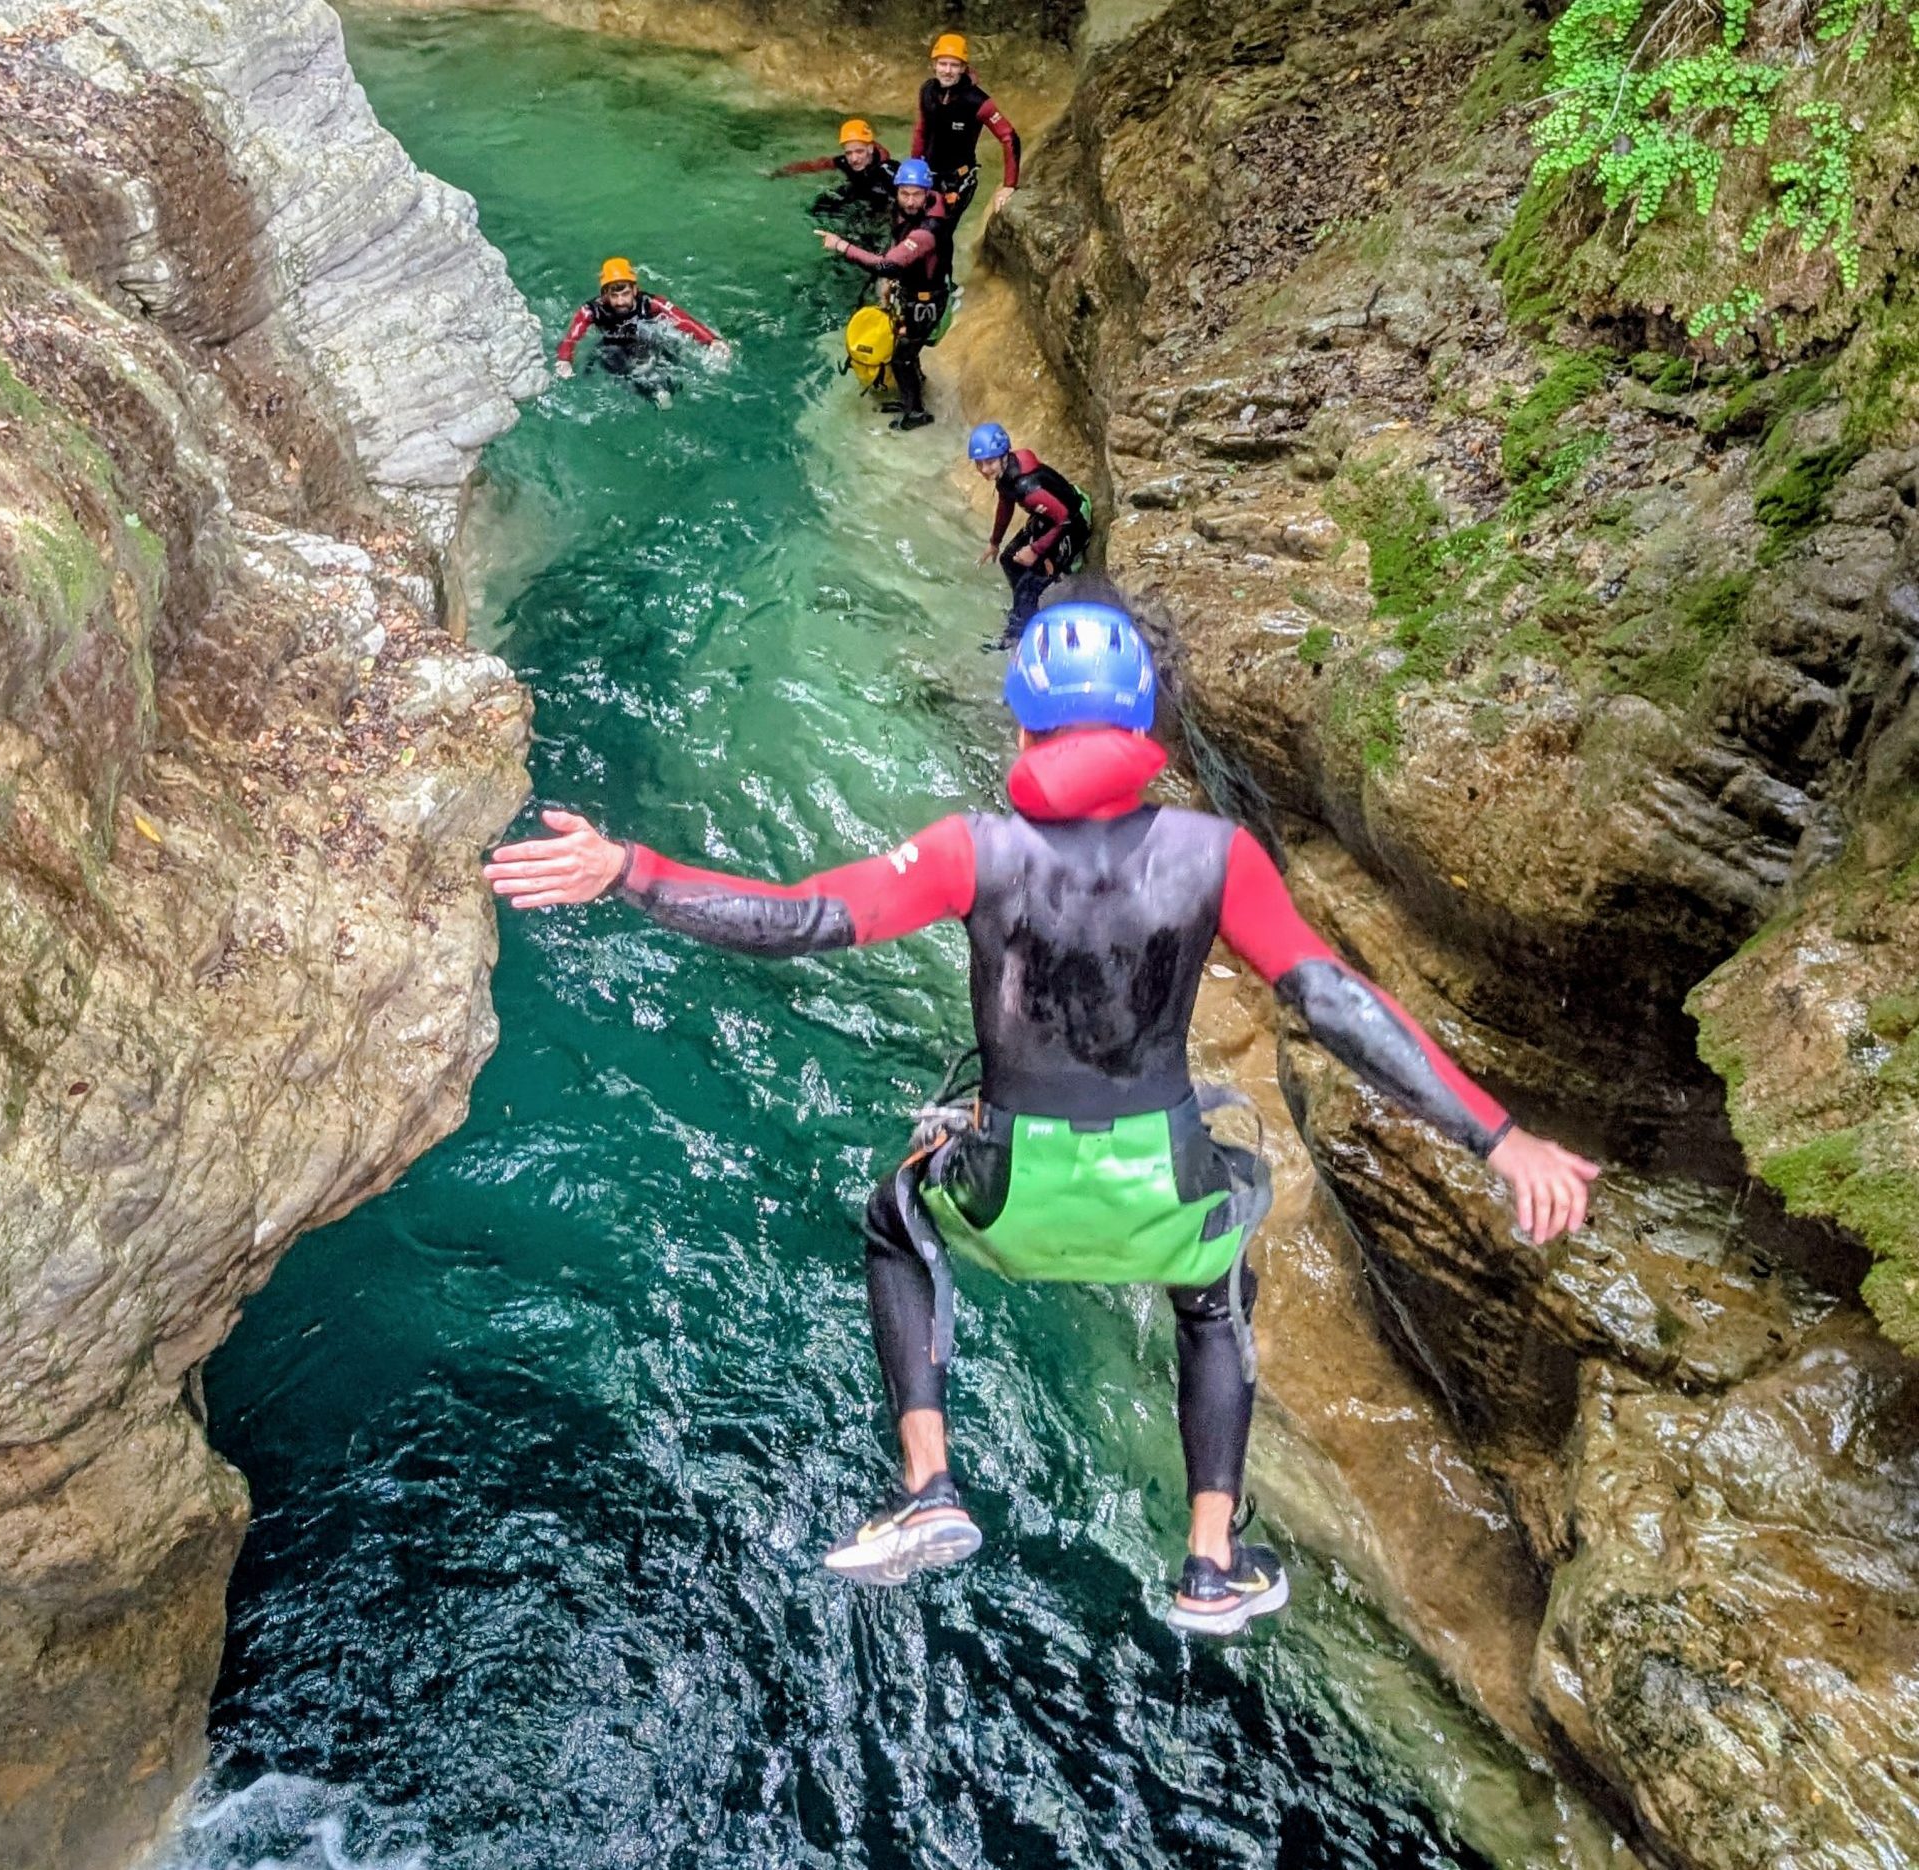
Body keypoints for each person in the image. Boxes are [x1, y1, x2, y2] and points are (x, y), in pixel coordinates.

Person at [482, 599, 1601, 1638]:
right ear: (1139, 728)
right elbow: (1331, 999)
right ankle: (1210, 1561)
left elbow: (803, 919)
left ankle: (926, 1485)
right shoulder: (1216, 855)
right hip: (1163, 1189)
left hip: (1005, 1189)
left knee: (893, 1220)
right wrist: (1499, 1138)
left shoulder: (978, 849)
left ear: (1025, 730)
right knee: (1216, 1294)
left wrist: (631, 867)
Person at [816, 160, 951, 432]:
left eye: (917, 194)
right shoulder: (905, 211)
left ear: (927, 193)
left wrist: (842, 245)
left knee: (901, 355)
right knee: (907, 348)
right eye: (905, 193)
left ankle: (915, 412)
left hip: (927, 301)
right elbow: (897, 248)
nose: (910, 201)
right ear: (897, 191)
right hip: (914, 293)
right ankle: (914, 390)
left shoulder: (928, 229)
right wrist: (892, 283)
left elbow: (888, 263)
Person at [968, 423, 1093, 642]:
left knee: (1027, 585)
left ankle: (1018, 635)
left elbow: (1064, 519)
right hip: (1049, 520)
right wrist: (994, 542)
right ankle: (1024, 609)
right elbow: (1005, 506)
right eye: (979, 464)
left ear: (1003, 456)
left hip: (1072, 526)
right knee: (1008, 560)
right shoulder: (1006, 475)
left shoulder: (1027, 489)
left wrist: (1035, 551)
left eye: (990, 462)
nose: (985, 469)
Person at [554, 258, 729, 400]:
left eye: (625, 294)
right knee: (616, 367)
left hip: (645, 338)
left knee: (668, 353)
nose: (620, 301)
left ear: (635, 290)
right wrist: (564, 360)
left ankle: (670, 389)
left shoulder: (650, 303)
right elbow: (571, 337)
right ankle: (653, 395)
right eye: (614, 296)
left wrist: (711, 340)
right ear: (604, 295)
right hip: (612, 346)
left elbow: (683, 320)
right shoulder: (591, 310)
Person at [912, 32, 1019, 228]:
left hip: (958, 180)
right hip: (929, 173)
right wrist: (913, 168)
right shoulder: (927, 90)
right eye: (943, 64)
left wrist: (1008, 185)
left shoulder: (977, 101)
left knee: (938, 232)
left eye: (954, 65)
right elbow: (921, 130)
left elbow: (1009, 136)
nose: (947, 71)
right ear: (934, 65)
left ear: (963, 68)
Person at [771, 118, 897, 222]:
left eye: (859, 151)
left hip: (879, 202)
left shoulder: (885, 169)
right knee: (819, 206)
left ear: (870, 148)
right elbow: (815, 165)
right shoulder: (844, 161)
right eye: (849, 153)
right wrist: (782, 172)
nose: (854, 159)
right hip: (858, 191)